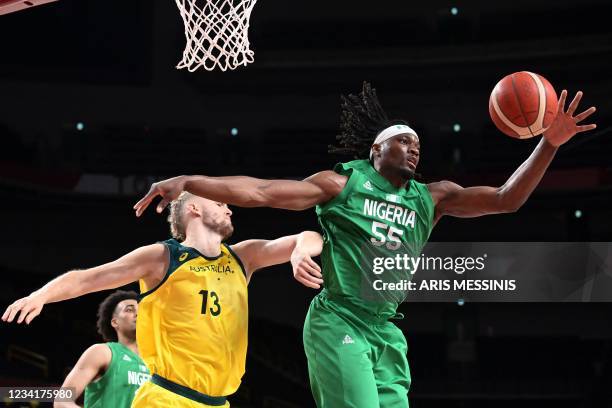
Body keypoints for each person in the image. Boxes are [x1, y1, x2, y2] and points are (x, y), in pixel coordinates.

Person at [131, 82, 597, 407]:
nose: (414, 147)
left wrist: (549, 145)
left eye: (418, 144)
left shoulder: (432, 198)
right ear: (376, 151)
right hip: (340, 318)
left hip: (387, 328)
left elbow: (505, 200)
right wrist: (192, 181)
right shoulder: (341, 185)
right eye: (402, 141)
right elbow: (261, 192)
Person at [3, 193, 324, 407]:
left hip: (219, 402)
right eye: (220, 202)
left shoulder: (244, 257)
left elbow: (311, 236)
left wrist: (299, 249)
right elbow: (90, 277)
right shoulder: (163, 257)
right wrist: (41, 295)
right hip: (168, 398)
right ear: (194, 209)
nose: (229, 207)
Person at [54, 290, 150, 408]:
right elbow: (62, 401)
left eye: (142, 311)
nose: (138, 314)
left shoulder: (158, 364)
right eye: (130, 310)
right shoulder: (102, 352)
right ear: (115, 322)